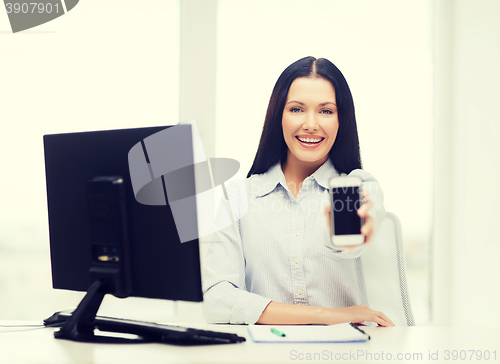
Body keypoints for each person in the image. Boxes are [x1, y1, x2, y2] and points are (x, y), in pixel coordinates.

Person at [202, 56, 394, 327]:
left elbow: (368, 212)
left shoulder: (359, 185)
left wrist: (358, 232)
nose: (311, 124)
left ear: (342, 120)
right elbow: (217, 300)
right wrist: (326, 315)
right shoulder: (237, 198)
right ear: (278, 115)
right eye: (296, 109)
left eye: (326, 111)